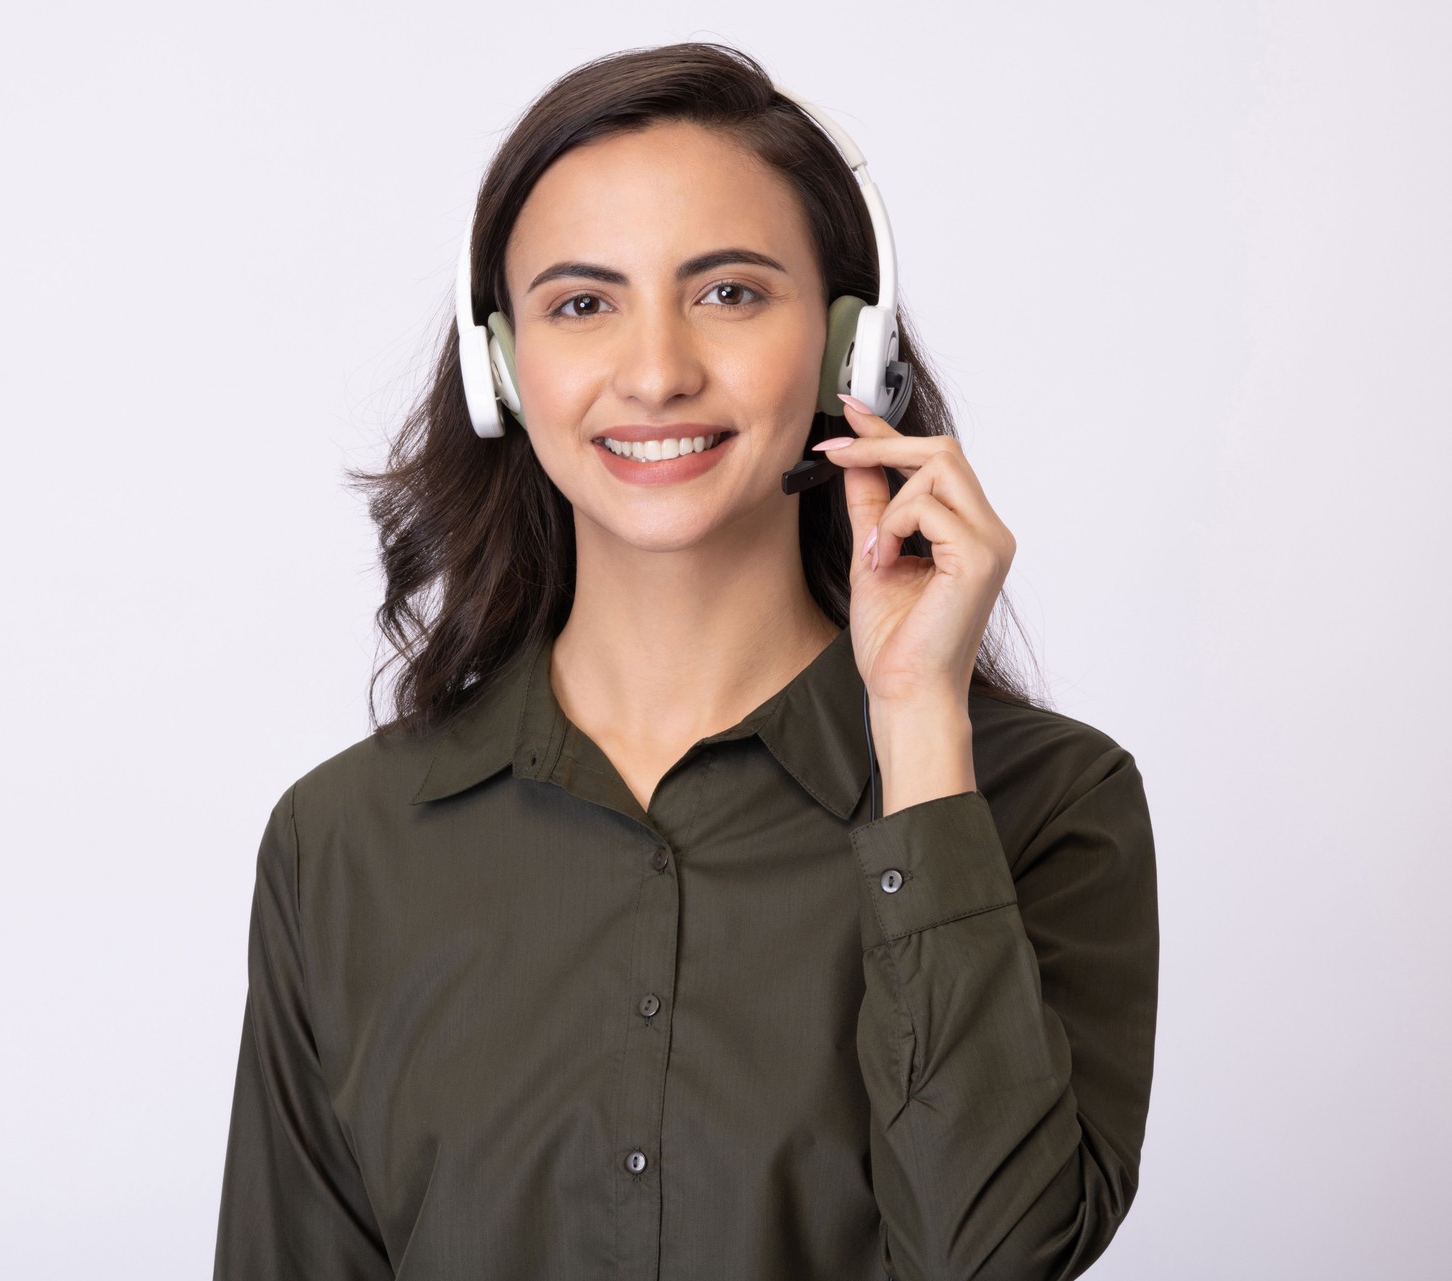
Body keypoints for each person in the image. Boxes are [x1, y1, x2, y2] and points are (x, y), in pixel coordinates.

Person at [212, 41, 1158, 1281]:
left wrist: (921, 727)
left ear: (845, 350)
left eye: (728, 293)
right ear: (503, 369)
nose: (656, 373)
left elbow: (996, 1263)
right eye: (582, 303)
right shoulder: (341, 843)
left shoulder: (1045, 805)